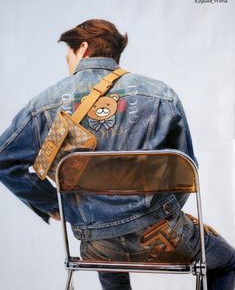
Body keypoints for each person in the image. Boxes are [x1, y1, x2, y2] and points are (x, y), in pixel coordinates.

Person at [0, 19, 234, 290]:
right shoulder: (161, 96)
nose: (68, 63)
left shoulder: (43, 104)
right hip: (161, 237)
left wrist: (56, 205)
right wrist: (158, 213)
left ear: (84, 48)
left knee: (107, 253)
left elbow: (4, 160)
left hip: (97, 245)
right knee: (227, 261)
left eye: (69, 55)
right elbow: (186, 170)